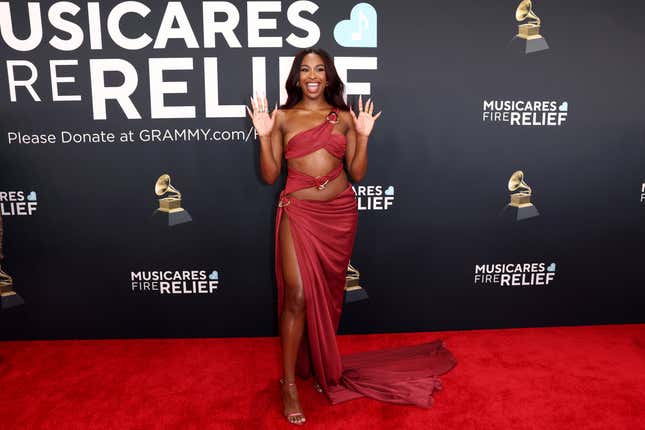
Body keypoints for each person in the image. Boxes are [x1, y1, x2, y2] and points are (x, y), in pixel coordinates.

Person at [247, 48, 456, 426]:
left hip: (339, 213)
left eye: (320, 69)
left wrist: (362, 135)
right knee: (295, 295)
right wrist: (264, 136)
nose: (313, 76)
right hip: (298, 212)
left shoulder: (343, 118)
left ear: (329, 77)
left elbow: (357, 174)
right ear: (296, 77)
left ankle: (318, 362)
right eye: (305, 69)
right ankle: (289, 383)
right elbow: (269, 174)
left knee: (325, 296)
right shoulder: (282, 117)